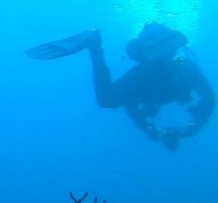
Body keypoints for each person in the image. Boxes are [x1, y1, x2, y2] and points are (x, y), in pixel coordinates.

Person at [26, 22, 215, 151]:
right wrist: (195, 124)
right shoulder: (186, 69)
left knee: (108, 99)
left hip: (147, 74)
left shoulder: (179, 70)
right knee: (106, 100)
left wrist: (145, 126)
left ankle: (94, 44)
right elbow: (208, 97)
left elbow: (130, 100)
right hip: (152, 74)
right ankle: (94, 45)